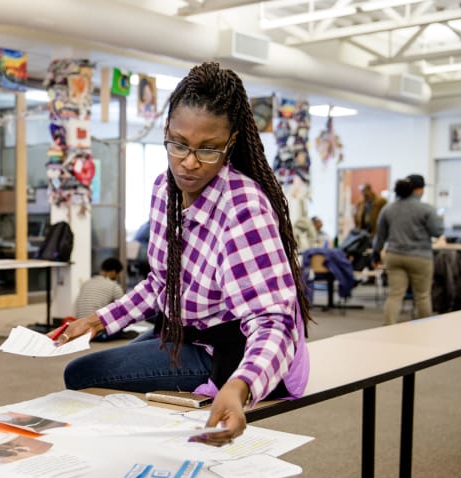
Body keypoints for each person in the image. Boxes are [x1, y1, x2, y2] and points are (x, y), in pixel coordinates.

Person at [57, 62, 311, 448]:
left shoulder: (243, 207)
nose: (189, 162)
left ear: (232, 142)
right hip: (184, 333)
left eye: (208, 149)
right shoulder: (164, 189)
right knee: (116, 375)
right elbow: (161, 282)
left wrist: (239, 387)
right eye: (178, 144)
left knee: (81, 374)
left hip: (229, 351)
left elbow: (273, 322)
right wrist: (97, 321)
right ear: (166, 132)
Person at [372, 174, 444, 325]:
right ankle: (425, 328)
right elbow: (437, 231)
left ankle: (387, 328)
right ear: (418, 190)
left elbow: (380, 236)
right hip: (420, 257)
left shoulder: (388, 209)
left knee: (395, 295)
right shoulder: (426, 209)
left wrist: (375, 255)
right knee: (422, 296)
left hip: (394, 256)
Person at [75, 258, 126, 341]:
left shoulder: (86, 283)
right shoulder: (114, 286)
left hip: (80, 330)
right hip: (98, 331)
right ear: (113, 272)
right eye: (118, 274)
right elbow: (124, 309)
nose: (118, 276)